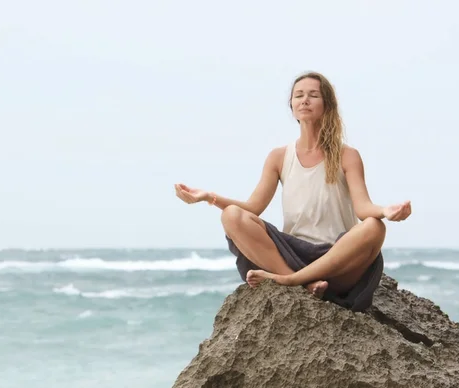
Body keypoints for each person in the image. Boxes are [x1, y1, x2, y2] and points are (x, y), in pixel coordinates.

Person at [174, 71, 411, 311]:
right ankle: (298, 280)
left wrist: (385, 211)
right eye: (298, 95)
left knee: (374, 226)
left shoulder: (347, 155)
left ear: (327, 103)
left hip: (337, 261)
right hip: (289, 256)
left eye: (313, 95)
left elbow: (363, 208)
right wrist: (208, 197)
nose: (304, 100)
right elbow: (253, 208)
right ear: (292, 105)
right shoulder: (279, 156)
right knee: (231, 215)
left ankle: (292, 282)